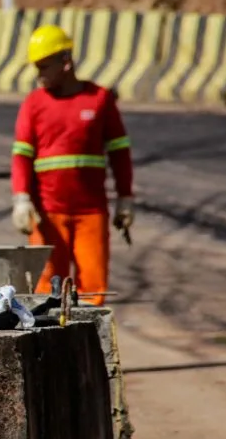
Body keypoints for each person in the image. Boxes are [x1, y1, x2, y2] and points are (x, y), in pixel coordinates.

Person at [10, 25, 134, 305]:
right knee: (46, 292)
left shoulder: (99, 100)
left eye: (44, 67)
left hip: (90, 213)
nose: (39, 75)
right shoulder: (33, 104)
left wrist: (125, 198)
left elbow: (120, 152)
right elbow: (21, 156)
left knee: (92, 291)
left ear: (65, 62)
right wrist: (21, 198)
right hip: (46, 214)